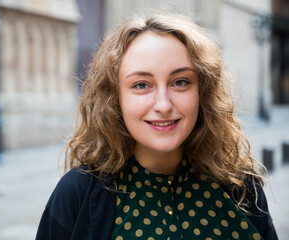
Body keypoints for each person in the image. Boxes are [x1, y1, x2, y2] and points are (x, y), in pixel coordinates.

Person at [36, 13, 278, 240]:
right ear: (114, 98)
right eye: (141, 85)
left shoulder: (241, 186)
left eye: (180, 82)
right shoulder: (76, 194)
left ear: (202, 92)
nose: (163, 104)